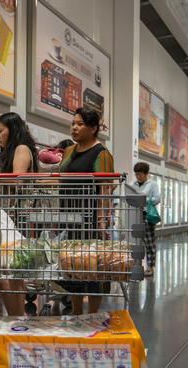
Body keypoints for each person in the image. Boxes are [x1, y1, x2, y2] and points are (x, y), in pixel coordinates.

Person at [58, 107, 114, 314]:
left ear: (93, 128)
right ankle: (75, 311)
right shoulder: (69, 150)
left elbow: (106, 188)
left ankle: (92, 314)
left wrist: (101, 222)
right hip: (68, 215)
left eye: (79, 124)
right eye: (73, 123)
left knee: (92, 267)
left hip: (88, 218)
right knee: (71, 263)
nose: (74, 128)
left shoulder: (101, 153)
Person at [0, 112, 38, 316]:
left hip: (18, 218)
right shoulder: (9, 151)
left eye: (1, 130)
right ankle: (17, 318)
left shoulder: (20, 148)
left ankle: (15, 318)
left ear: (13, 129)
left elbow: (17, 179)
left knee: (6, 272)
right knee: (11, 273)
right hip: (12, 216)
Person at [132, 162, 161, 277]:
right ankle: (135, 263)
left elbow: (157, 199)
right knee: (133, 241)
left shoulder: (152, 184)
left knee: (149, 242)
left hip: (146, 215)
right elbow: (125, 195)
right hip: (134, 215)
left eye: (140, 175)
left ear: (146, 174)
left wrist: (144, 199)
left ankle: (150, 266)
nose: (138, 177)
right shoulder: (132, 184)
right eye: (136, 175)